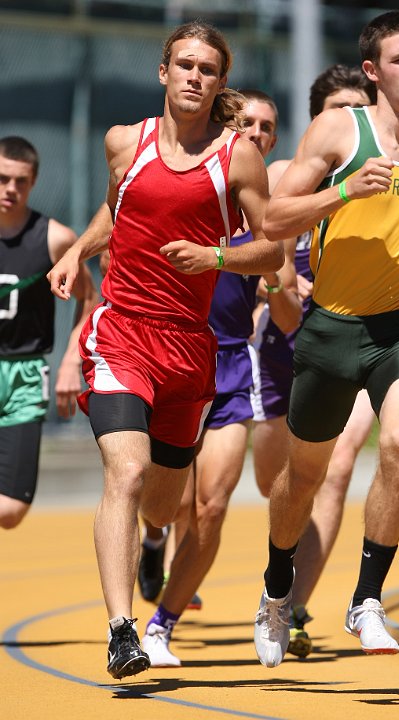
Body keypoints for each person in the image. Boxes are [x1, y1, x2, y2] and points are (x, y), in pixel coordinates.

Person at [47, 21, 284, 681]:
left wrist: (213, 256)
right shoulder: (125, 141)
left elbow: (271, 250)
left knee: (161, 500)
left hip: (188, 349)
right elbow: (115, 209)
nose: (194, 77)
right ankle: (123, 630)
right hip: (121, 331)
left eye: (208, 69)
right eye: (184, 64)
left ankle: (154, 539)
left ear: (218, 82)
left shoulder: (236, 156)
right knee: (124, 473)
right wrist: (77, 251)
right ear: (162, 71)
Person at [254, 9, 399, 668]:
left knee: (398, 439)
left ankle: (366, 599)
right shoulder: (338, 130)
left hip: (398, 328)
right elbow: (273, 217)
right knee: (303, 479)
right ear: (372, 71)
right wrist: (340, 191)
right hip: (328, 330)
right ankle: (277, 585)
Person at [136, 89, 302, 667]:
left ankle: (160, 626)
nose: (257, 133)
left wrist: (275, 283)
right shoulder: (184, 183)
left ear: (275, 142)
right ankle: (154, 537)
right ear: (228, 127)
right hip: (166, 352)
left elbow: (286, 318)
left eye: (268, 127)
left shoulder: (269, 220)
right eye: (247, 122)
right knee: (167, 503)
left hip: (230, 363)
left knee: (210, 506)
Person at [0, 136, 98, 530]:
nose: (11, 189)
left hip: (24, 376)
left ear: (34, 181)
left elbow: (90, 300)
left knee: (11, 510)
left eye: (20, 181)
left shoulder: (55, 237)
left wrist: (70, 363)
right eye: (3, 178)